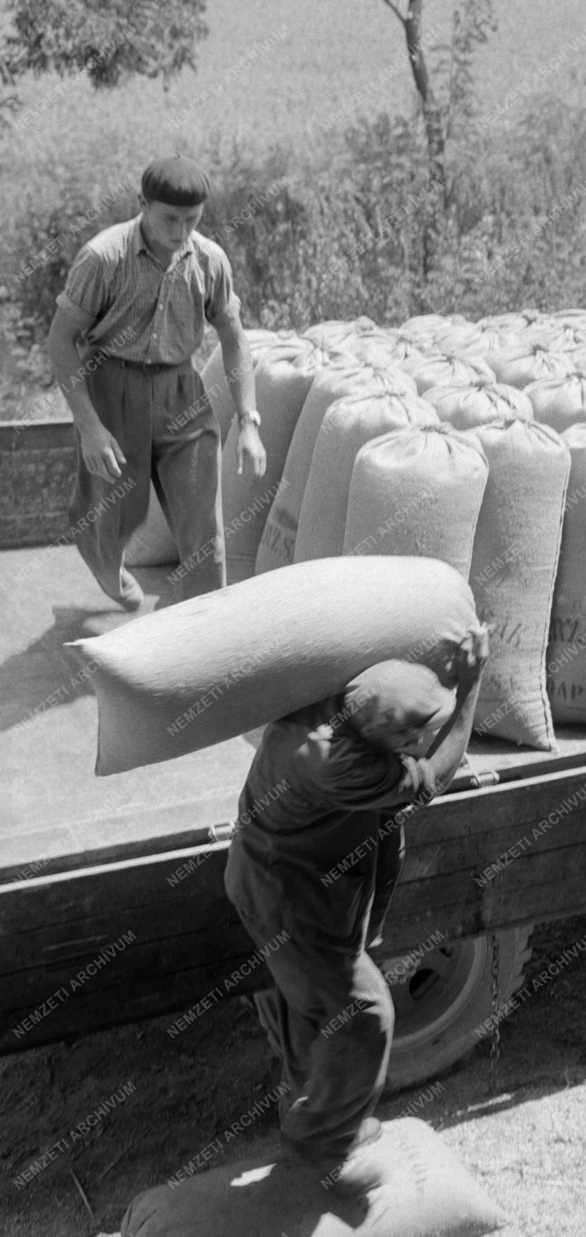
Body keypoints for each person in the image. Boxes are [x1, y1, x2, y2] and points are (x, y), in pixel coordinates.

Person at [223, 627, 489, 1194]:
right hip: (289, 902)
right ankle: (323, 1153)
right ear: (387, 735)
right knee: (364, 1016)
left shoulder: (336, 700)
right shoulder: (330, 763)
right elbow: (437, 774)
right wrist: (470, 686)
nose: (424, 738)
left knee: (309, 1009)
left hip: (314, 880)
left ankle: (309, 1113)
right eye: (415, 733)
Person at [47, 154, 267, 610]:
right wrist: (90, 427)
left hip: (181, 394)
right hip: (111, 389)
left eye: (192, 220)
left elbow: (233, 336)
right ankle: (109, 571)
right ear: (142, 204)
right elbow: (61, 341)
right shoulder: (104, 258)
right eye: (170, 218)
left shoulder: (210, 261)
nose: (181, 232)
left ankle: (202, 637)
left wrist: (248, 420)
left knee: (204, 531)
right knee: (105, 523)